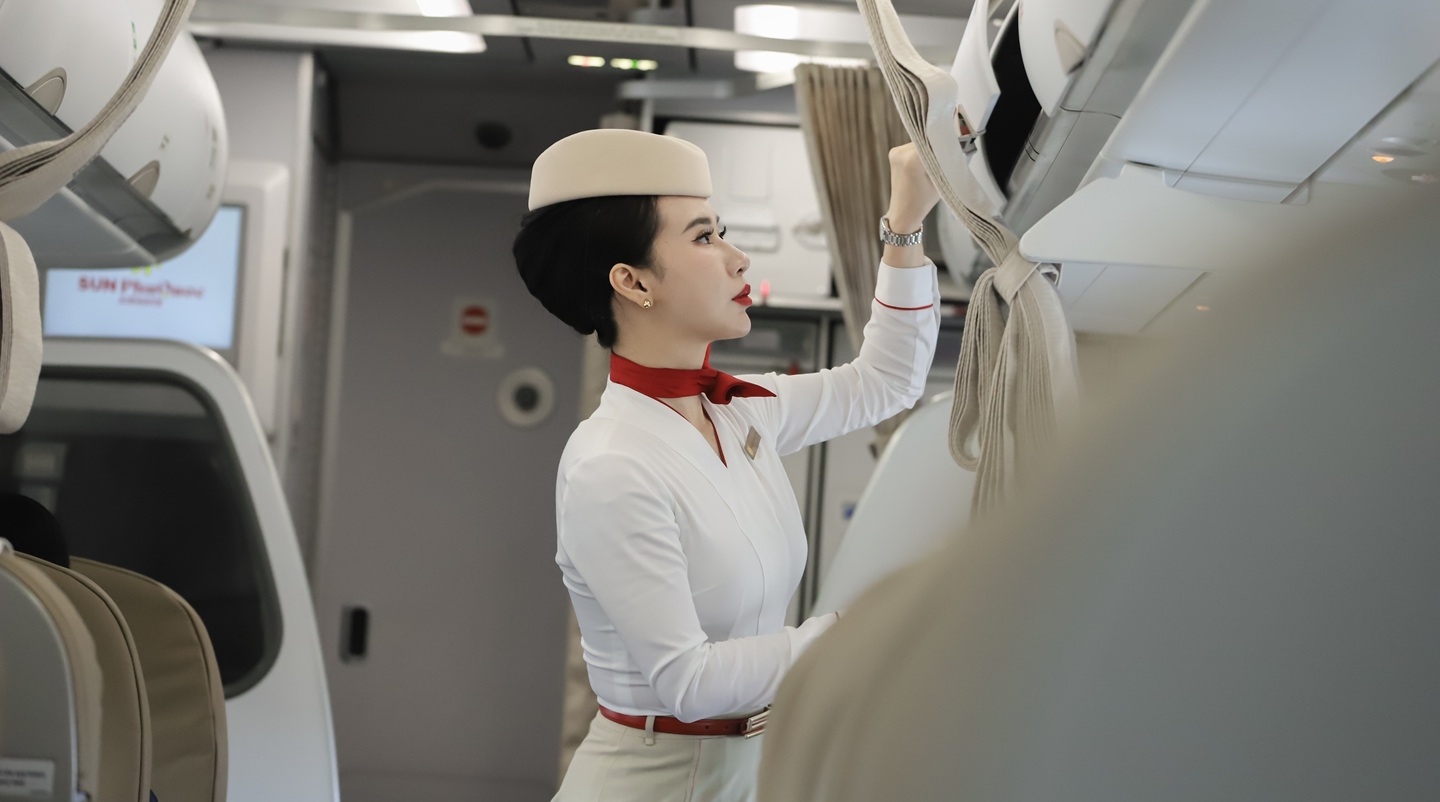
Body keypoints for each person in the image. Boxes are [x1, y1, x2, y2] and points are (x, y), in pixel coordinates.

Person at [513, 128, 941, 801]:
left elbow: (888, 381)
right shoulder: (611, 464)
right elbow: (689, 682)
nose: (739, 259)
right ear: (632, 281)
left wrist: (906, 220)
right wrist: (858, 632)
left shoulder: (740, 413)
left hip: (746, 771)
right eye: (705, 237)